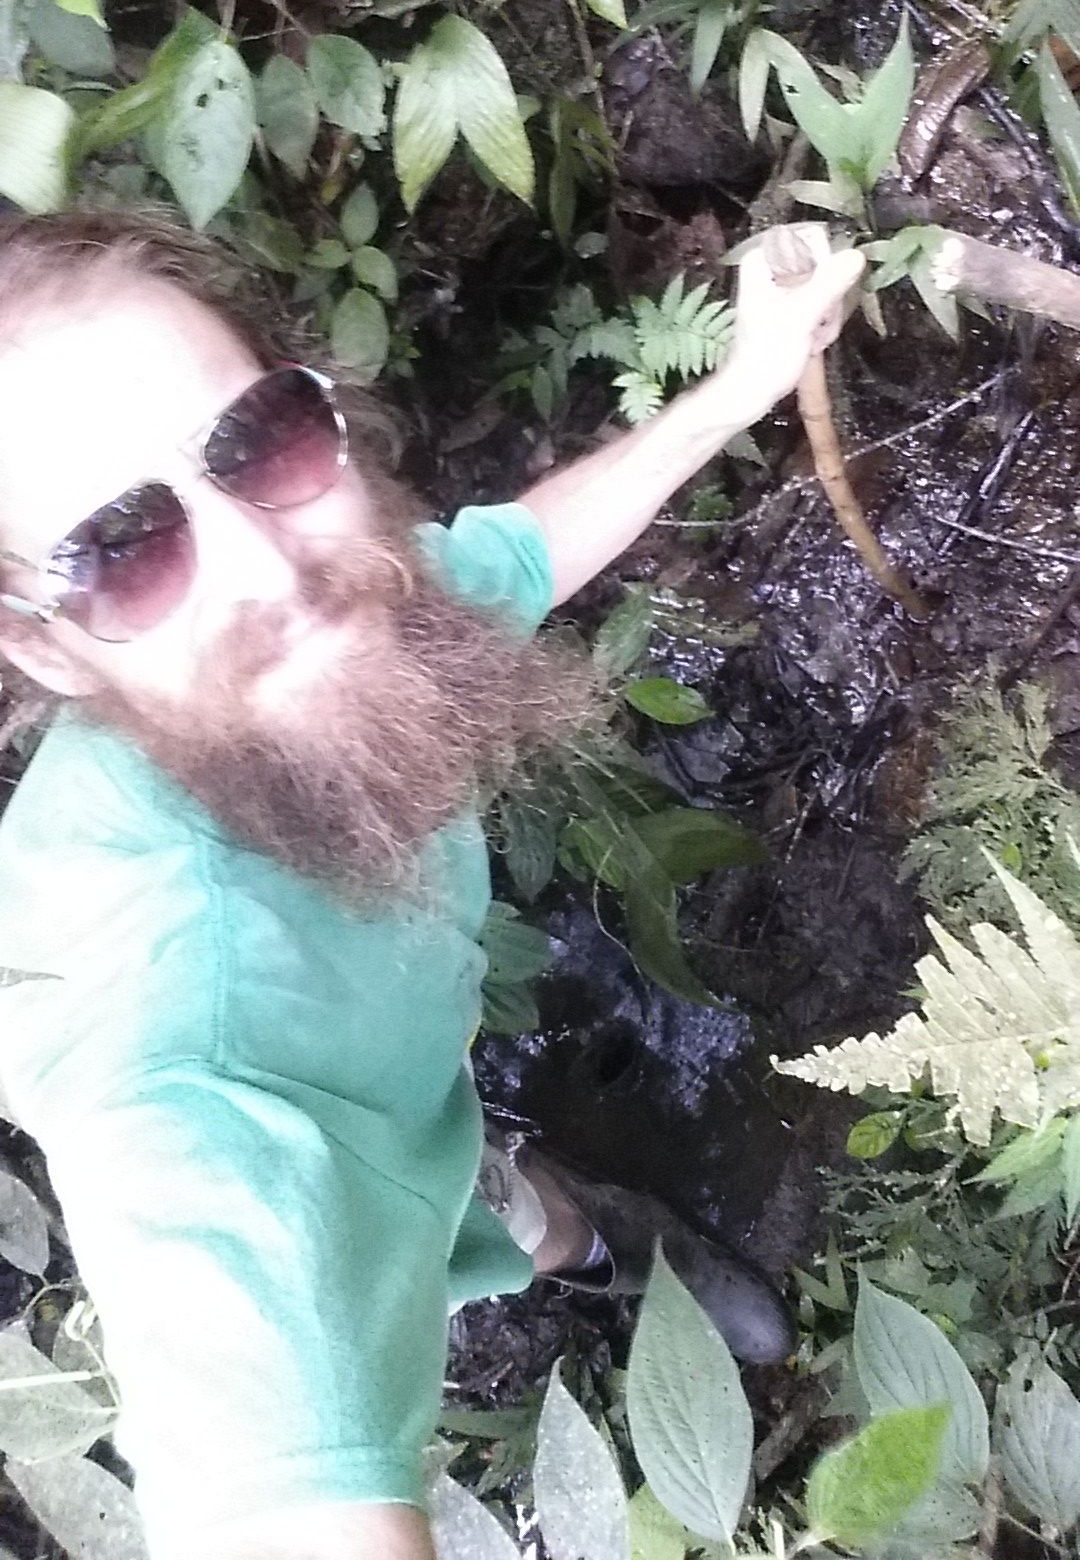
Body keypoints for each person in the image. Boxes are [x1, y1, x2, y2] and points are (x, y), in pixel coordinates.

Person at [0, 209, 862, 1560]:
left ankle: (591, 1240)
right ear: (44, 652)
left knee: (495, 1198)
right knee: (424, 1221)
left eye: (259, 441)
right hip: (337, 1144)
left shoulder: (360, 606)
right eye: (122, 551)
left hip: (414, 1095)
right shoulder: (180, 1078)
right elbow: (259, 1470)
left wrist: (739, 385)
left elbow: (510, 557)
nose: (268, 564)